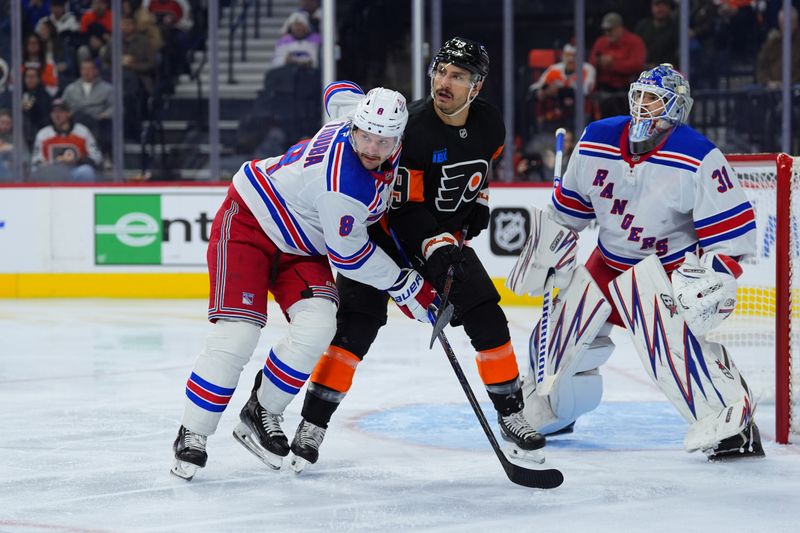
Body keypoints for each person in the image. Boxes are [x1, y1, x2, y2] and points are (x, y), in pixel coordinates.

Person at [291, 37, 546, 472]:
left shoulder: (490, 123)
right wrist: (435, 245)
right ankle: (312, 425)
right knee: (355, 329)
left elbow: (481, 168)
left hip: (443, 239)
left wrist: (479, 203)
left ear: (477, 86)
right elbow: (404, 205)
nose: (444, 82)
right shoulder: (412, 127)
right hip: (383, 238)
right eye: (441, 71)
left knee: (487, 315)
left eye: (458, 76)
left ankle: (511, 414)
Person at [170, 85, 440, 481]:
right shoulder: (342, 185)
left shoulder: (354, 117)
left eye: (383, 140)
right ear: (355, 128)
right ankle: (192, 432)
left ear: (398, 136)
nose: (372, 147)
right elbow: (351, 256)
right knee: (238, 335)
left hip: (301, 244)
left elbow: (337, 92)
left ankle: (262, 409)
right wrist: (406, 287)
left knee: (319, 326)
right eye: (365, 136)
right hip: (250, 223)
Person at [511, 63, 764, 460]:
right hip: (606, 263)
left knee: (672, 354)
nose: (644, 106)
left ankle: (735, 425)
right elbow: (568, 214)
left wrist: (709, 282)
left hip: (662, 271)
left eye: (655, 99)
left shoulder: (698, 155)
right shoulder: (597, 139)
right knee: (553, 340)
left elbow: (732, 237)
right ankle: (559, 412)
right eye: (640, 96)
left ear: (676, 108)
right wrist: (547, 253)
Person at [30, 98, 102, 182]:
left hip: (75, 171)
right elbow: (35, 163)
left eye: (61, 111)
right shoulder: (43, 134)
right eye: (54, 112)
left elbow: (96, 157)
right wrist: (46, 165)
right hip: (53, 174)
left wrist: (78, 160)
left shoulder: (82, 131)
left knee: (86, 172)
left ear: (69, 113)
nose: (57, 115)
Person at [590, 12, 645, 117]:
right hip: (604, 90)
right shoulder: (601, 42)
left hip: (627, 91)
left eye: (610, 30)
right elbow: (591, 62)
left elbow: (637, 65)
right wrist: (599, 61)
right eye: (605, 30)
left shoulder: (634, 42)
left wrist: (612, 64)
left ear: (620, 28)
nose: (607, 33)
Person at [635, 0, 679, 69]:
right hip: (644, 71)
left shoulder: (676, 28)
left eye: (664, 5)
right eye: (657, 5)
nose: (660, 8)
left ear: (669, 8)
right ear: (652, 7)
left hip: (668, 72)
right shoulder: (643, 26)